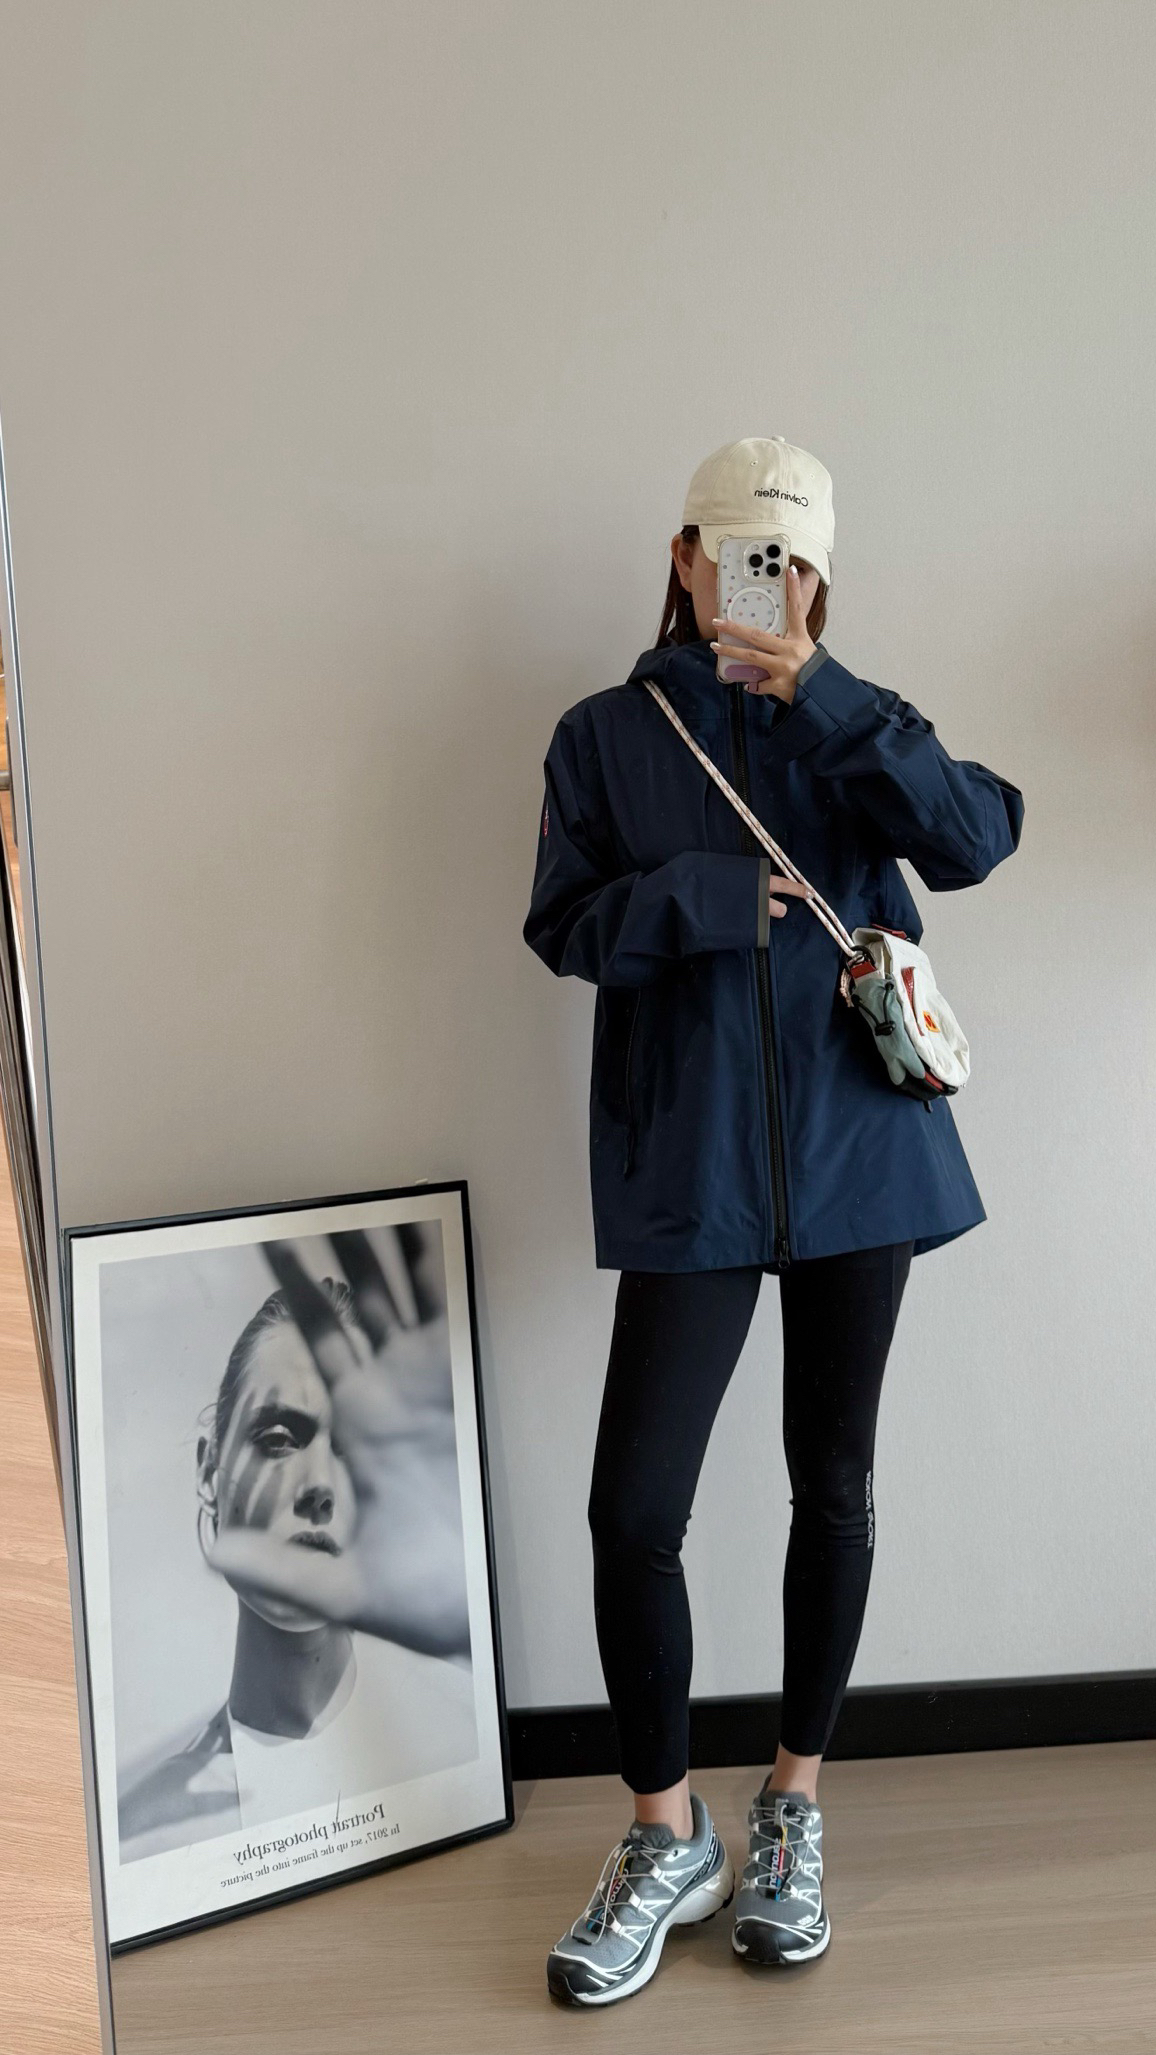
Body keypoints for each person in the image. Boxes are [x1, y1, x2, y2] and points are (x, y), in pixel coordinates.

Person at [524, 437, 1024, 2005]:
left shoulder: (856, 725)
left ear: (821, 576)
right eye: (741, 552)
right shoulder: (604, 735)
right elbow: (561, 924)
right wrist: (699, 899)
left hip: (858, 1155)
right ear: (683, 556)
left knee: (837, 1477)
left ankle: (794, 1799)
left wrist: (827, 691)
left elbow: (978, 836)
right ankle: (663, 1830)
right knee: (632, 1509)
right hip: (693, 1165)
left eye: (793, 560)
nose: (766, 582)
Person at [117, 1227, 479, 1862]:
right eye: (280, 1439)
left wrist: (466, 1623)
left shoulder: (468, 1736)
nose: (320, 1488)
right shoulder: (143, 1831)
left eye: (352, 1449)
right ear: (208, 1472)